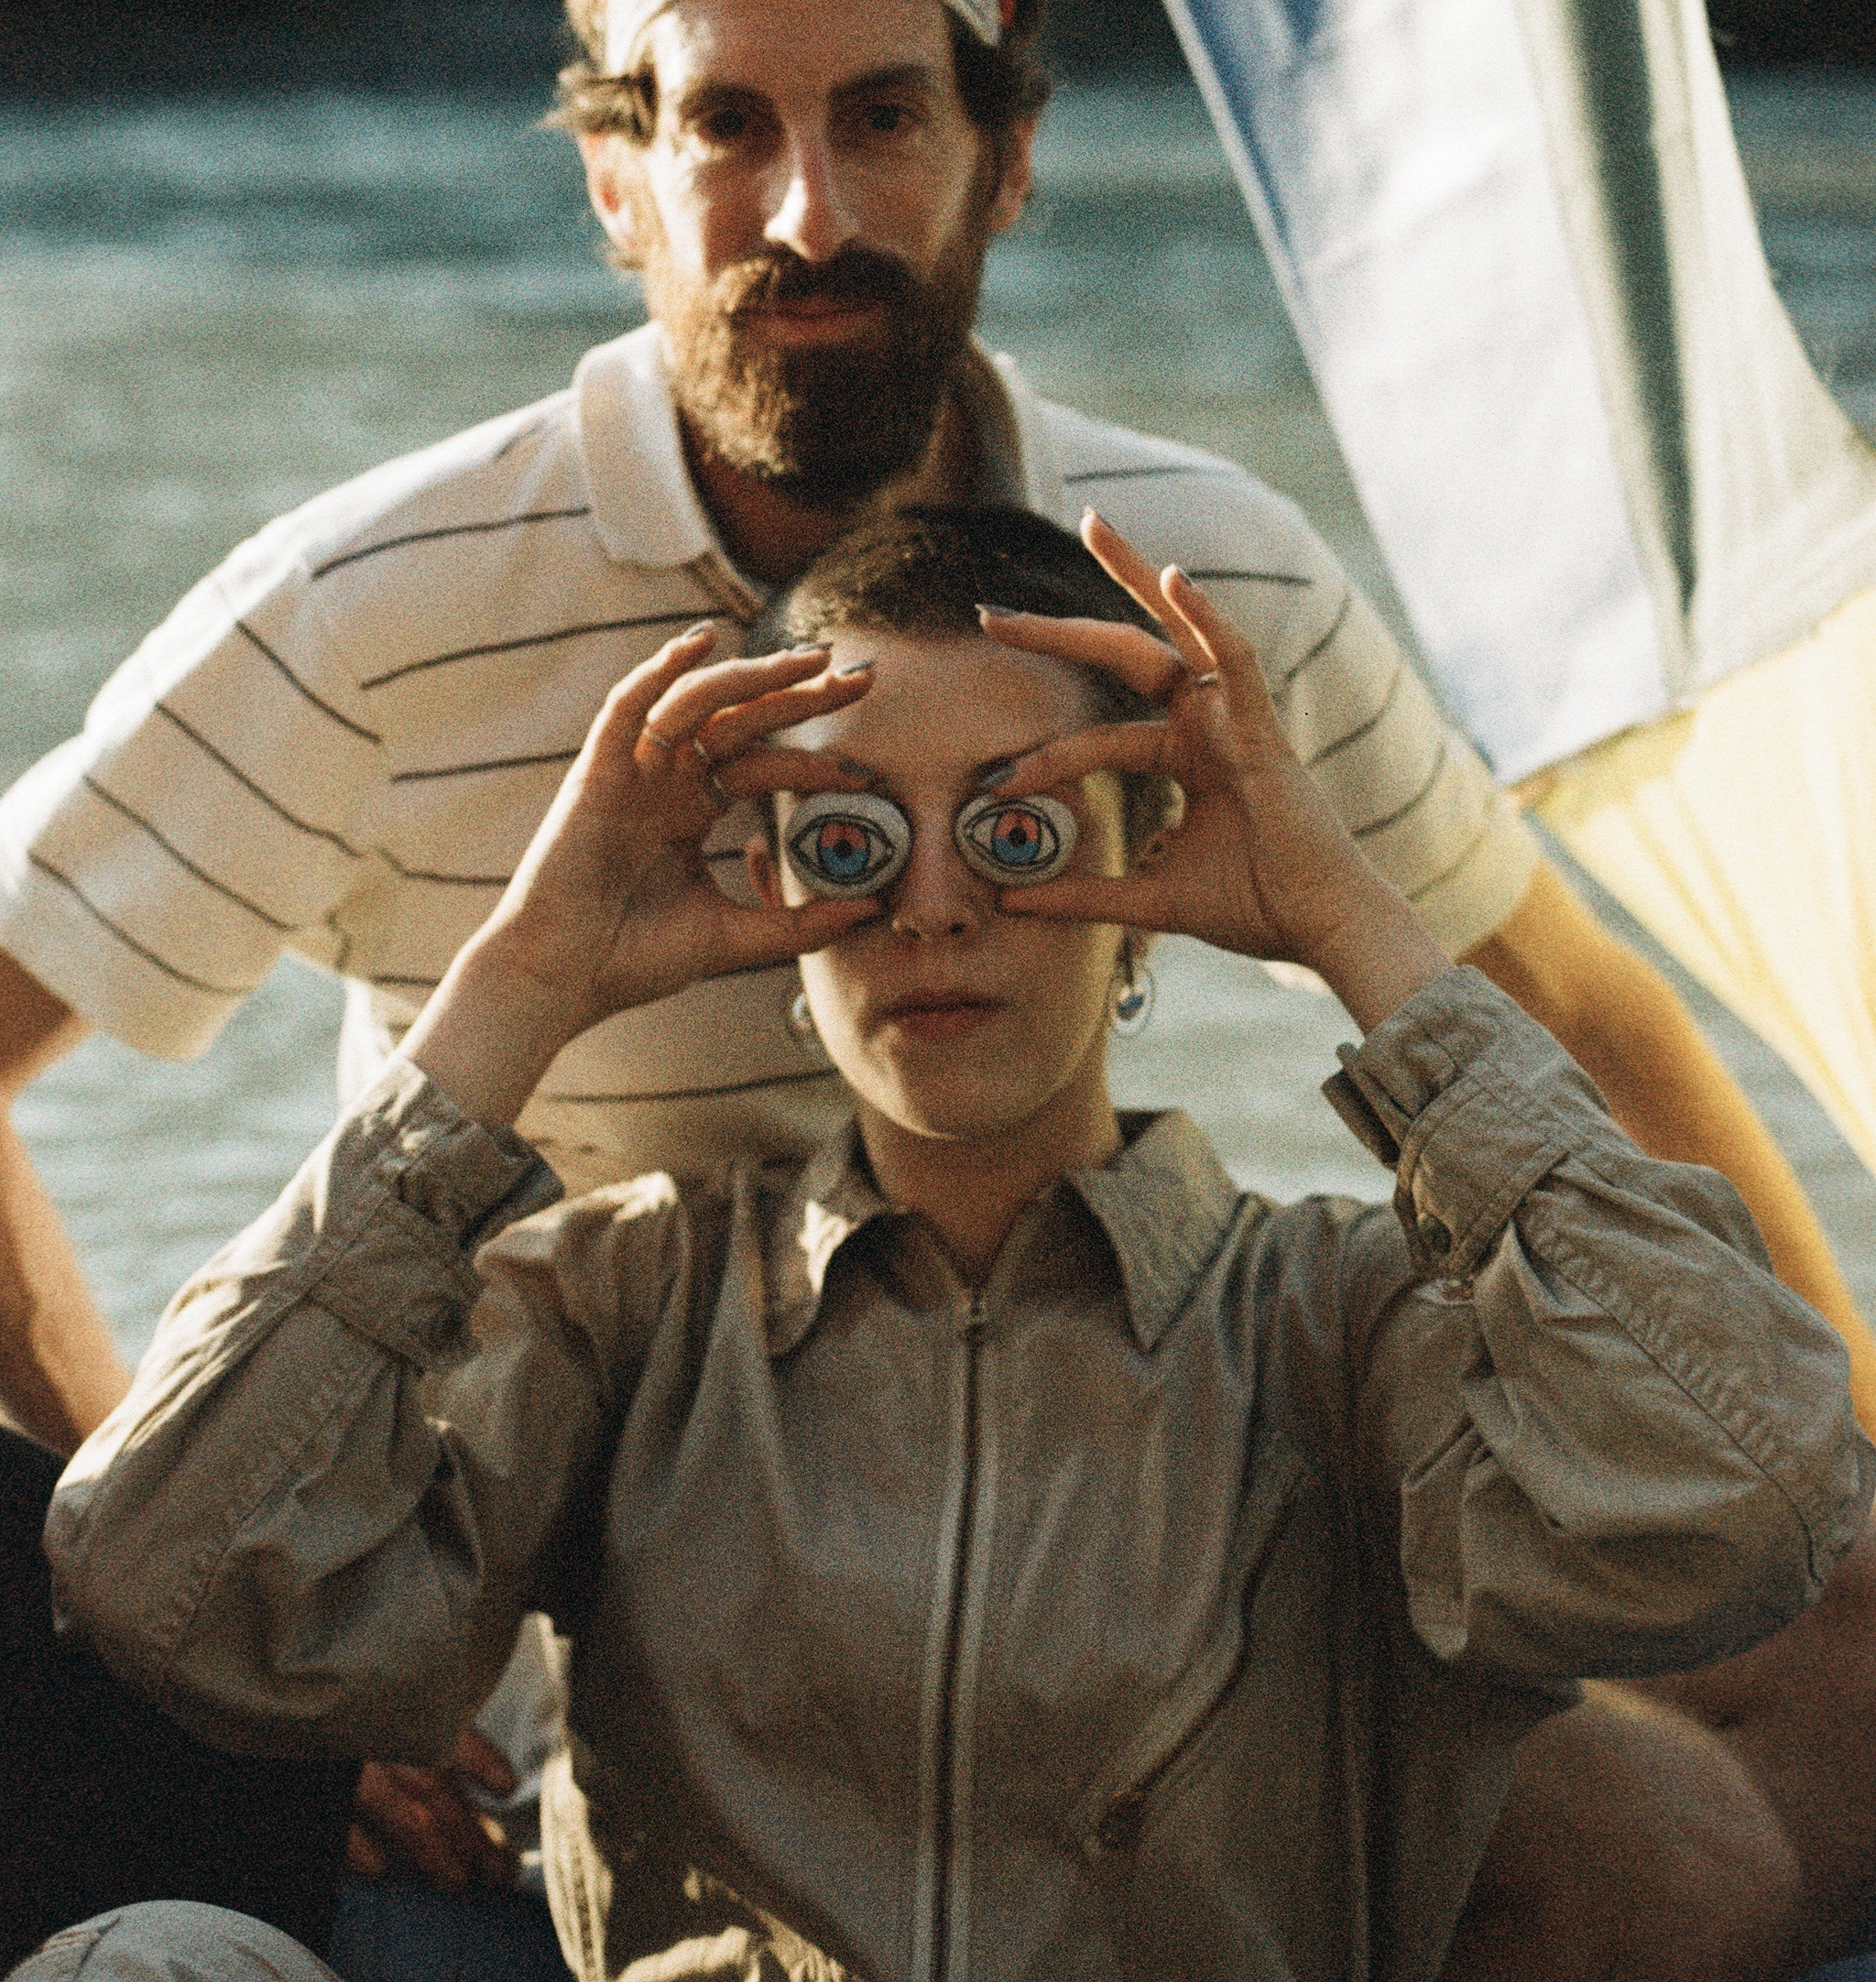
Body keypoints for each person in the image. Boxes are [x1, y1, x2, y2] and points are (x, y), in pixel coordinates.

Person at [1, 0, 1873, 1944]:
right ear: (616, 182)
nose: (807, 214)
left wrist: (1845, 1506)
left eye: (883, 116)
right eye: (725, 125)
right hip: (626, 1542)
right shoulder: (372, 612)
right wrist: (283, 1650)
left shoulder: (1190, 596)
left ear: (1005, 158)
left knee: (1754, 1737)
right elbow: (162, 1559)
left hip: (1154, 1494)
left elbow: (1572, 1014)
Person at [30, 506, 1875, 1982]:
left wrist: (1344, 916)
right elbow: (164, 1583)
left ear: (1147, 870)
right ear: (771, 883)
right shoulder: (626, 1307)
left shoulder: (1339, 1319)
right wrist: (520, 976)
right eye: (850, 838)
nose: (931, 903)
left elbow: (1752, 1491)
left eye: (1018, 827)